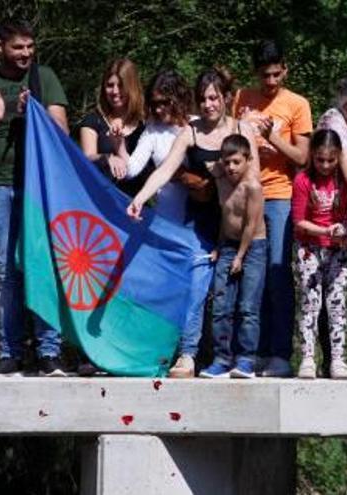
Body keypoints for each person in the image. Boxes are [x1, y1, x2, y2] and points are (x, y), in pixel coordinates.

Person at [127, 67, 259, 377]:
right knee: (197, 288)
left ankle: (245, 359)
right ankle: (187, 354)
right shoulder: (191, 131)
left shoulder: (243, 129)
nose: (209, 104)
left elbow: (255, 183)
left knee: (241, 299)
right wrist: (141, 198)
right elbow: (164, 170)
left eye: (214, 97)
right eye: (203, 99)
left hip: (236, 225)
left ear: (225, 98)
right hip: (200, 224)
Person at [0, 19, 69, 377]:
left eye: (30, 47)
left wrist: (35, 112)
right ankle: (9, 354)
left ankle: (49, 353)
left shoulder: (45, 78)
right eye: (18, 47)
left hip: (39, 186)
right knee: (5, 271)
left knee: (43, 264)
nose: (26, 54)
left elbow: (62, 134)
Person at [115, 69, 215, 378]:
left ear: (179, 99)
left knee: (198, 292)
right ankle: (156, 354)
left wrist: (187, 178)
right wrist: (118, 145)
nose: (159, 110)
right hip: (166, 225)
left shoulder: (197, 128)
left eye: (165, 103)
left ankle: (192, 354)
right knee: (163, 291)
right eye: (154, 104)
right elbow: (132, 169)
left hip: (200, 222)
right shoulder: (153, 132)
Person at [231, 40, 314, 377]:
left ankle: (280, 353)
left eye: (277, 75)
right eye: (265, 76)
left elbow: (303, 157)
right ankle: (253, 352)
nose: (270, 82)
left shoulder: (298, 104)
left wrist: (272, 138)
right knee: (252, 275)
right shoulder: (241, 99)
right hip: (244, 194)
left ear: (285, 70)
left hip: (279, 196)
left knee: (278, 274)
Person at [199, 135, 267, 379]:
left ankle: (247, 359)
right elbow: (225, 218)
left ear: (248, 160)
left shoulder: (253, 187)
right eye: (227, 162)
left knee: (248, 307)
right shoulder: (222, 181)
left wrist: (240, 256)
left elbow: (250, 224)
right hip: (228, 245)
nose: (231, 168)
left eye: (237, 162)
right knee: (221, 306)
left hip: (252, 247)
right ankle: (221, 358)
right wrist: (219, 247)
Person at [291, 129, 347, 379]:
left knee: (337, 302)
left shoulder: (344, 180)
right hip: (309, 248)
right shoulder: (303, 180)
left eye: (331, 160)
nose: (326, 165)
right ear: (312, 156)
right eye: (320, 160)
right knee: (310, 302)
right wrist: (325, 230)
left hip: (336, 249)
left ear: (339, 157)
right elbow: (299, 222)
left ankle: (338, 359)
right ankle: (308, 357)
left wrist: (345, 228)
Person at [79, 58, 148, 197]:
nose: (115, 91)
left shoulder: (145, 123)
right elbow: (87, 156)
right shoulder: (92, 121)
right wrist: (107, 158)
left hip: (138, 206)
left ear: (131, 86)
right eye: (110, 85)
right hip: (101, 204)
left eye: (121, 85)